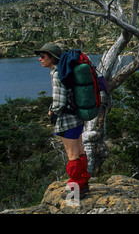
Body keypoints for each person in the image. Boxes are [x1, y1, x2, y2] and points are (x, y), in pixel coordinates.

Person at [35, 43, 90, 198]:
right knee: (80, 151)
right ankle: (83, 182)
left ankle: (75, 189)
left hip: (67, 120)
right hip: (77, 118)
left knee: (72, 155)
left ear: (52, 58)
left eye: (43, 56)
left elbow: (60, 101)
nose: (40, 59)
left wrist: (52, 111)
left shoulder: (57, 74)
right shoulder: (66, 71)